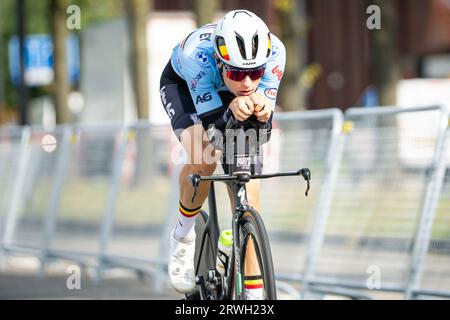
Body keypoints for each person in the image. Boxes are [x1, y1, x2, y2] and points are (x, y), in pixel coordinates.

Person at [159, 9, 286, 299]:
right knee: (203, 156)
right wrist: (230, 109)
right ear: (219, 60)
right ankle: (183, 235)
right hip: (185, 88)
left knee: (249, 190)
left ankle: (253, 292)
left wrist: (263, 113)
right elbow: (215, 129)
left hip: (226, 96)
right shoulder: (197, 57)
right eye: (238, 73)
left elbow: (261, 131)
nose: (247, 83)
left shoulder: (276, 53)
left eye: (255, 73)